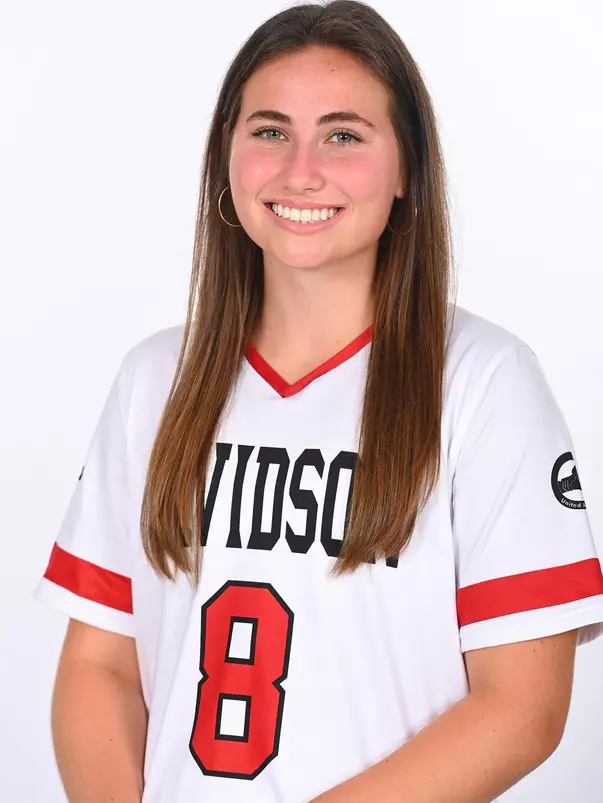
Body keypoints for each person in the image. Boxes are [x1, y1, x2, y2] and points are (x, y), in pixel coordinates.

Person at [32, 2, 603, 802]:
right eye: (269, 131)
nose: (300, 170)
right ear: (225, 158)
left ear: (406, 168)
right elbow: (99, 664)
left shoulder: (483, 381)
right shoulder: (155, 379)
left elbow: (522, 706)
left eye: (343, 134)